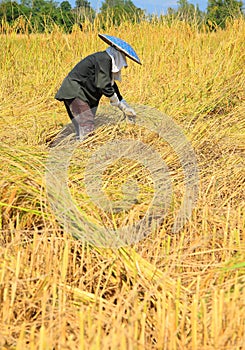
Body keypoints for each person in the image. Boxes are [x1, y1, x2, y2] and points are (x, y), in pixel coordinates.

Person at [55, 33, 141, 141]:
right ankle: (85, 152)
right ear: (117, 55)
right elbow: (104, 85)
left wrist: (125, 105)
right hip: (75, 91)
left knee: (82, 127)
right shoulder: (104, 59)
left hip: (79, 93)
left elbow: (111, 85)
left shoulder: (105, 61)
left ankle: (79, 151)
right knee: (87, 123)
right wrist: (118, 104)